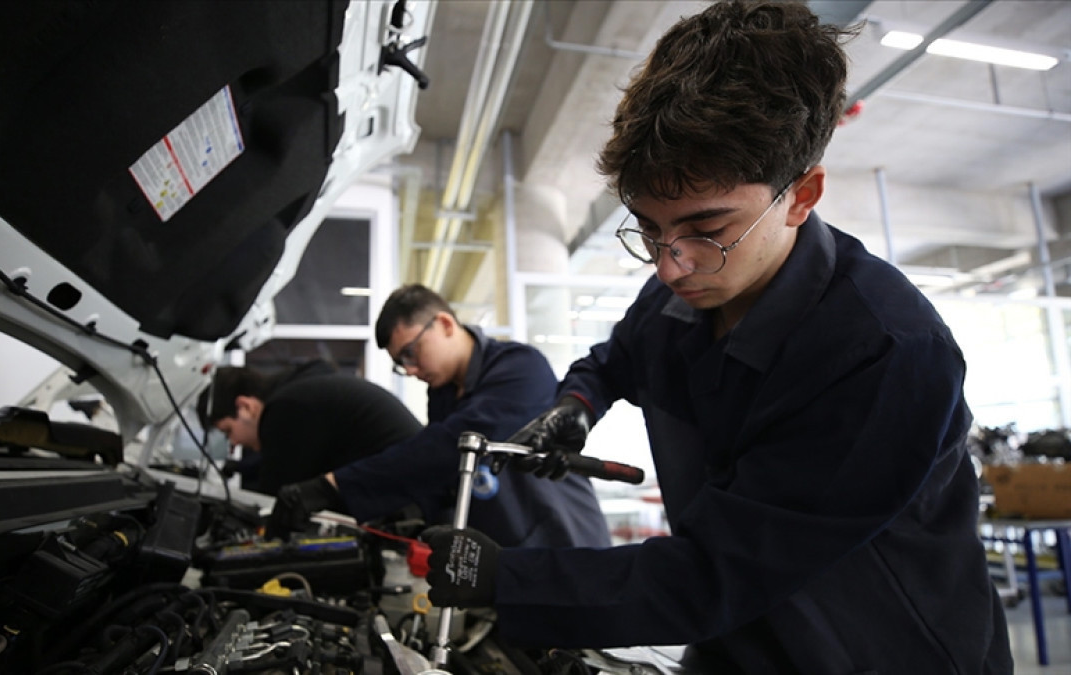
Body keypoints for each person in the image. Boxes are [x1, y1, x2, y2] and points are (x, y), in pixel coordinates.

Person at [421, 1, 1012, 672]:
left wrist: (508, 578)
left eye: (707, 230)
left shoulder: (886, 355)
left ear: (801, 196)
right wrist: (576, 406)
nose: (670, 265)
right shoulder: (676, 301)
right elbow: (613, 360)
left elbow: (719, 572)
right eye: (650, 228)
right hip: (732, 646)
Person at [267, 284, 612, 549]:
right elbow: (445, 481)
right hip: (505, 553)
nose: (410, 369)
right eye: (401, 364)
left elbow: (447, 449)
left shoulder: (520, 367)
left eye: (410, 353)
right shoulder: (444, 395)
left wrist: (333, 486)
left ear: (445, 323)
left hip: (562, 541)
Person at [198, 361, 422, 496]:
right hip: (412, 483)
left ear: (245, 406)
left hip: (407, 494)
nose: (234, 442)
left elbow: (276, 497)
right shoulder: (301, 394)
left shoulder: (284, 410)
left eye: (228, 431)